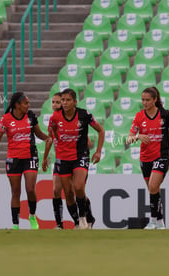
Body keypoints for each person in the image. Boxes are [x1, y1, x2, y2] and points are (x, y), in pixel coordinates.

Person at [42, 89, 104, 229]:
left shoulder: (84, 115)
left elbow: (100, 130)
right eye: (62, 100)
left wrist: (98, 151)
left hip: (80, 156)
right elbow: (53, 138)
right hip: (63, 159)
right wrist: (45, 157)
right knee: (68, 193)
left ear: (75, 102)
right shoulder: (55, 118)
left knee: (78, 187)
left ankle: (83, 218)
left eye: (67, 100)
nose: (64, 103)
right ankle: (77, 222)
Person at [0, 92, 52, 230]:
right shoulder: (6, 119)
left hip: (30, 156)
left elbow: (38, 133)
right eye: (26, 103)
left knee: (30, 189)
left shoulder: (30, 116)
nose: (28, 105)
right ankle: (16, 225)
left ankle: (32, 215)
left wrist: (47, 138)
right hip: (13, 159)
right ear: (17, 105)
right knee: (15, 192)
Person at [127, 87, 169, 229]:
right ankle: (160, 221)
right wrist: (138, 136)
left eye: (147, 100)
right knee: (153, 190)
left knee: (153, 186)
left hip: (162, 155)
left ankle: (153, 220)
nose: (144, 102)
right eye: (143, 100)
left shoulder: (165, 115)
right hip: (145, 158)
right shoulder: (139, 116)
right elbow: (129, 139)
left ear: (155, 100)